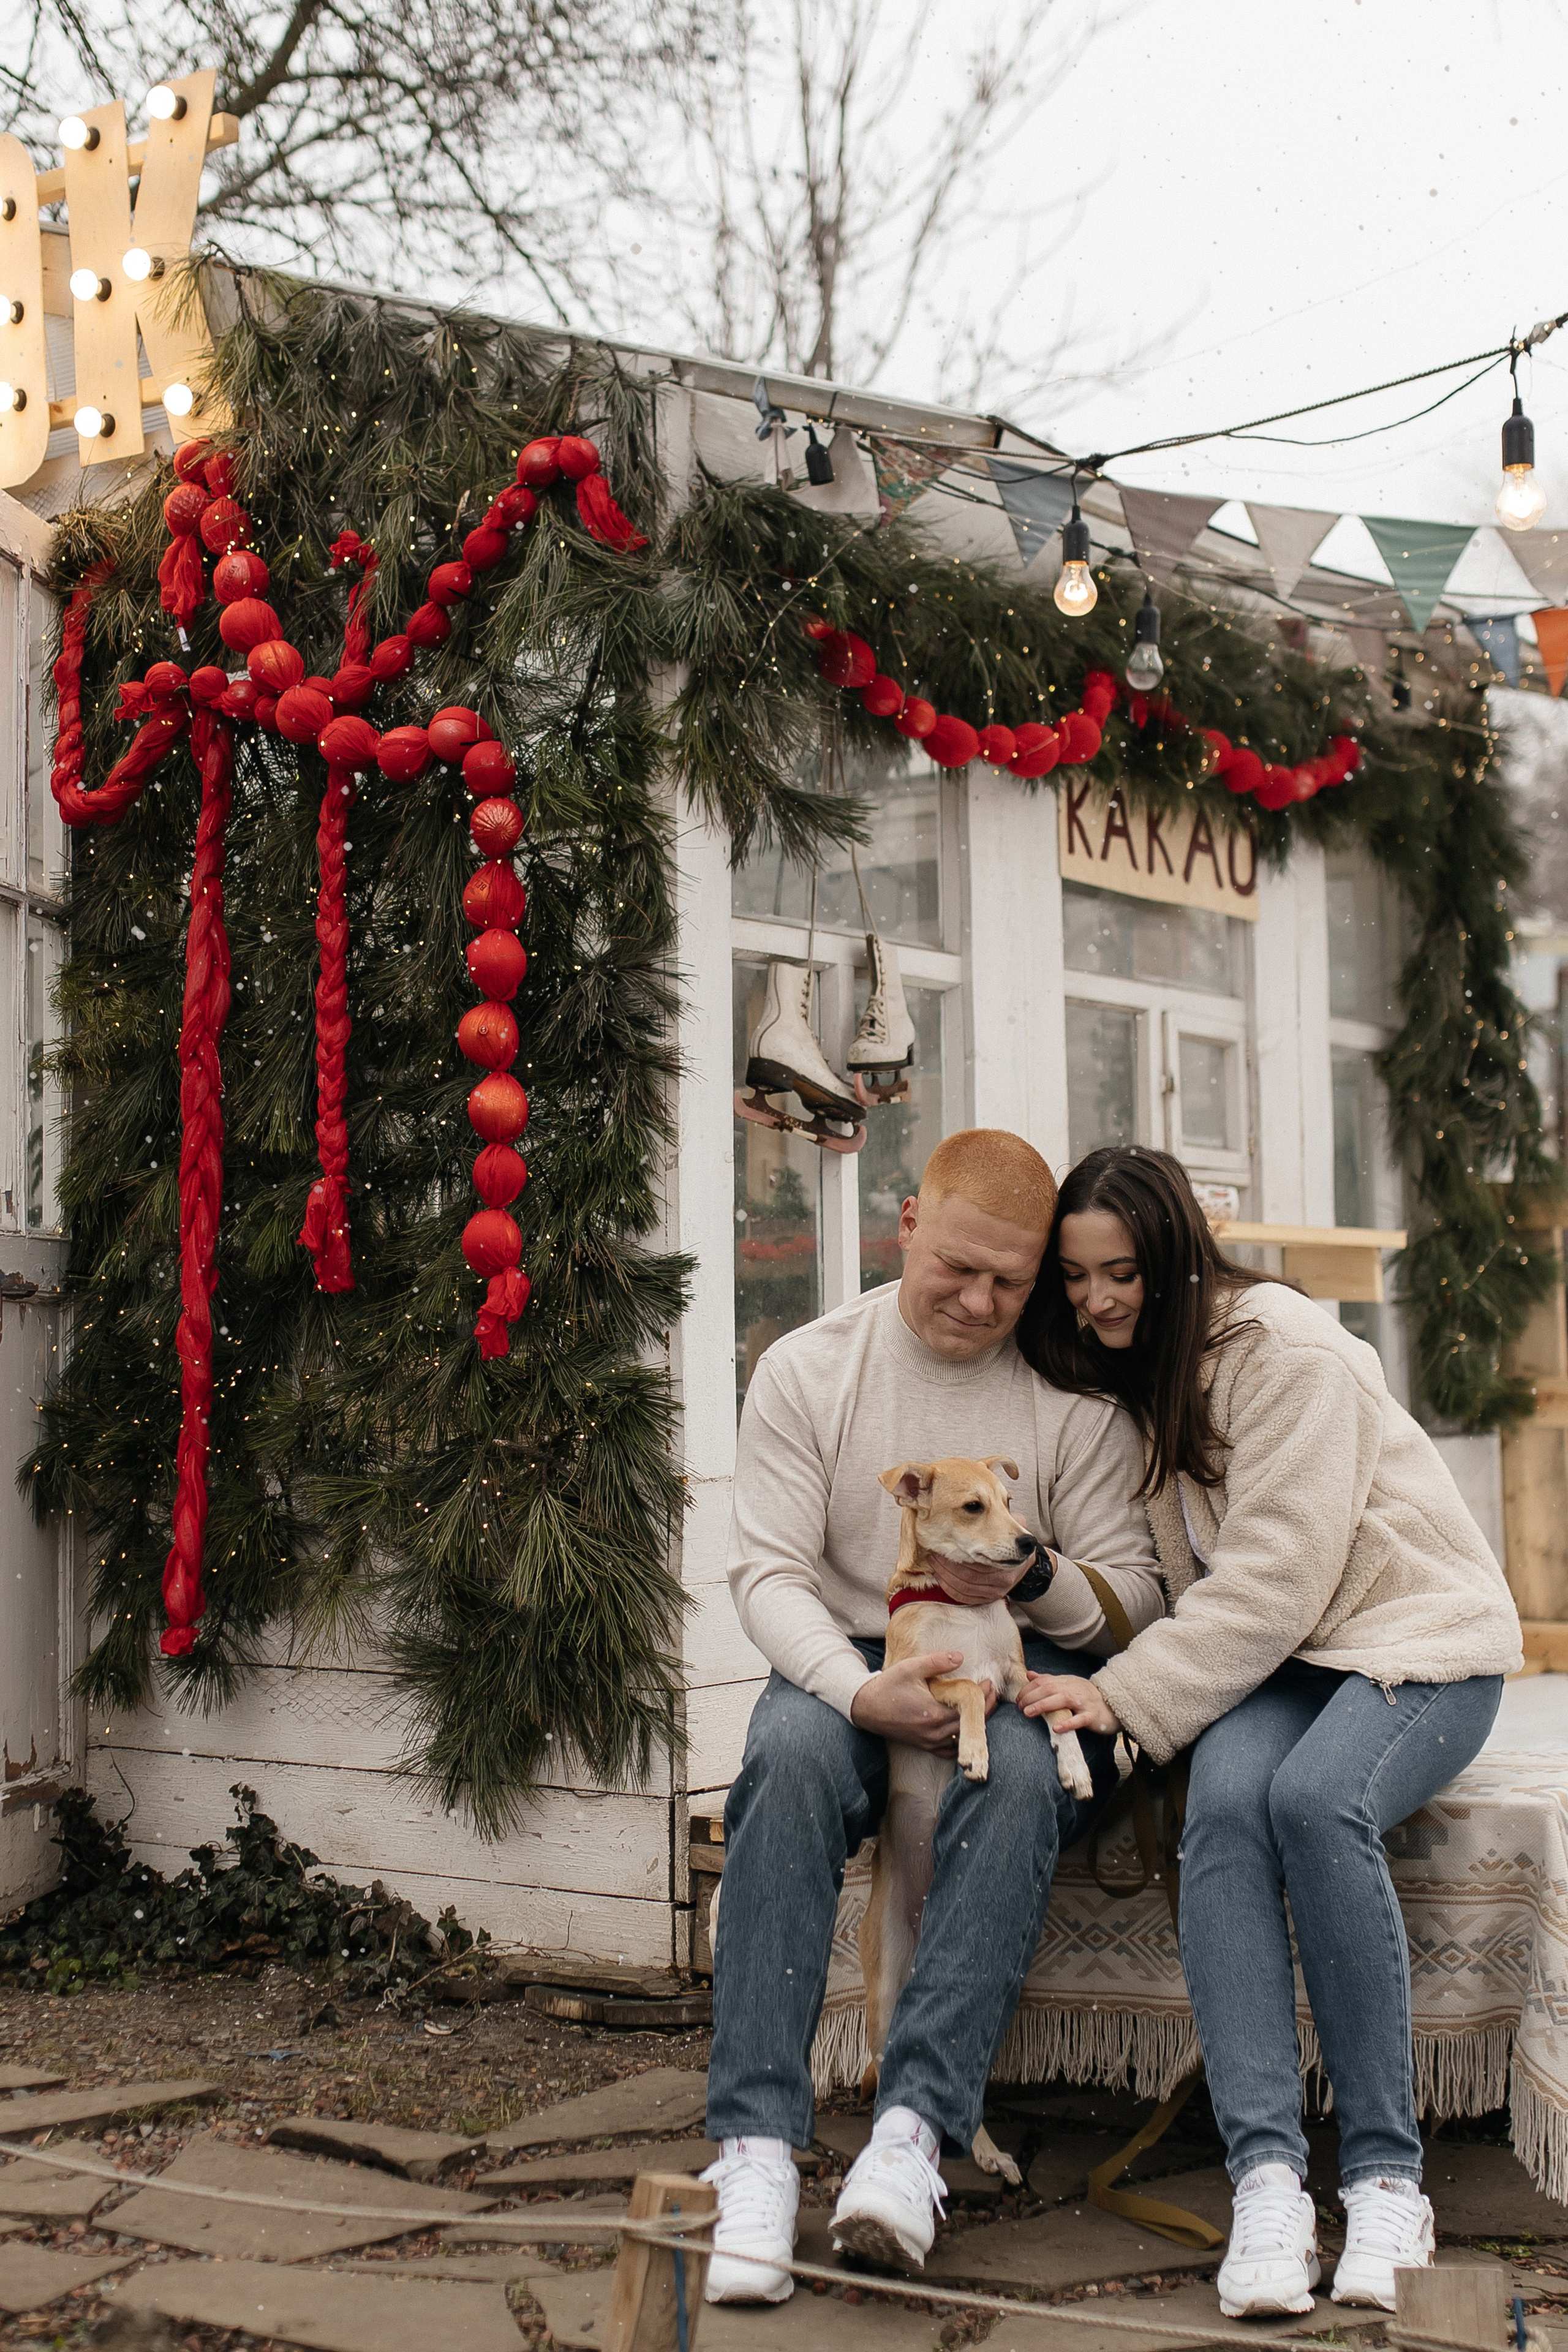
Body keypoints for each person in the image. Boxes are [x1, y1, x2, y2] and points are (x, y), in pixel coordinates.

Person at [1016, 1145, 1521, 2321]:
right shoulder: (1128, 1368)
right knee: (1229, 1810)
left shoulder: (1283, 1351)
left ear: (1179, 1256)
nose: (1099, 1300)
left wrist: (1130, 1699)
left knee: (1310, 1801)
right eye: (1079, 1277)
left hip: (1415, 1638)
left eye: (1124, 1272)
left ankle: (1390, 2177)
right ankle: (1269, 2179)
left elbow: (1276, 1575)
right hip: (1287, 1659)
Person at [703, 1127, 1166, 2301]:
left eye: (1013, 1281)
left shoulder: (1071, 1403)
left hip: (1005, 1656)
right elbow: (767, 1575)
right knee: (794, 1757)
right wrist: (856, 1686)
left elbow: (1136, 1599)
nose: (980, 1299)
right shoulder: (812, 1367)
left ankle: (912, 2138)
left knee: (1012, 1784)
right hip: (849, 1655)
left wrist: (1029, 1576)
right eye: (957, 1266)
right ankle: (755, 2147)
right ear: (908, 1223)